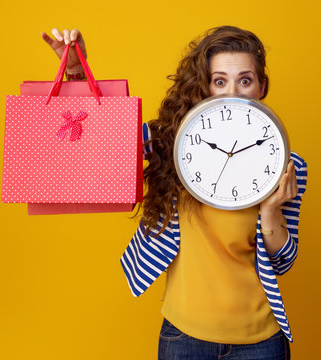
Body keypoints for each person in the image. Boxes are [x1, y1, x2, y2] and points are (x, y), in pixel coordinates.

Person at [42, 26, 307, 360]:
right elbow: (99, 135)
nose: (233, 94)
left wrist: (270, 210)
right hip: (184, 338)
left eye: (245, 80)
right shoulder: (172, 143)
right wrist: (76, 71)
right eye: (220, 80)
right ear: (205, 86)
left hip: (260, 341)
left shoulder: (284, 162)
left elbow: (283, 262)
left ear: (261, 86)